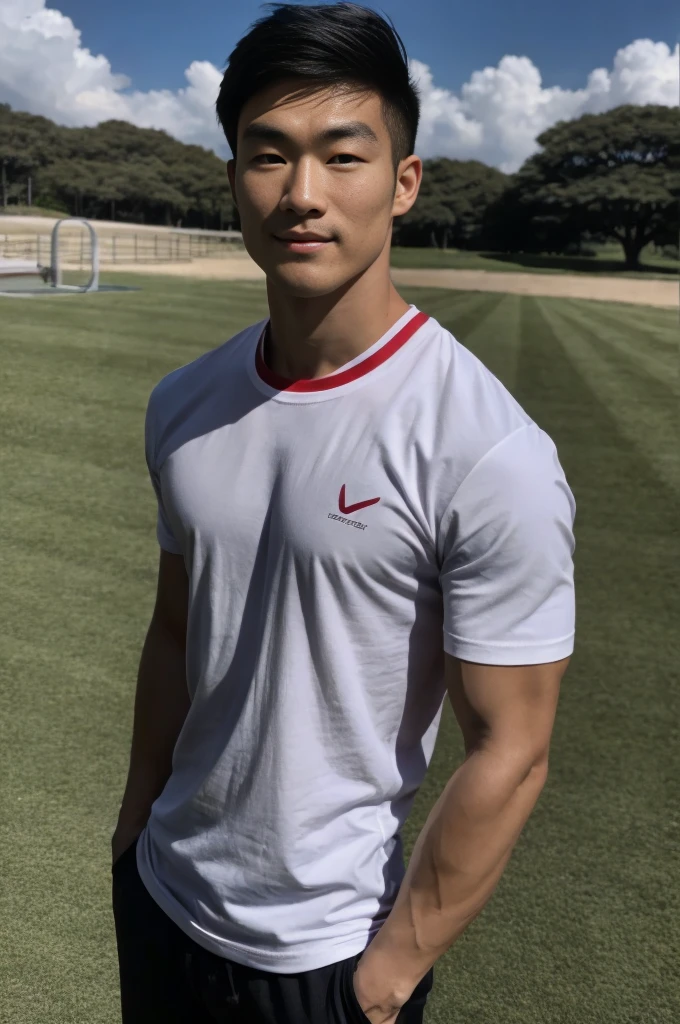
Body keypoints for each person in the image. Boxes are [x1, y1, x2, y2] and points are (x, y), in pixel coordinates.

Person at [110, 4, 576, 1023]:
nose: (302, 195)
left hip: (329, 958)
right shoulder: (183, 404)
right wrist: (133, 823)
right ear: (233, 174)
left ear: (403, 182)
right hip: (161, 898)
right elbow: (178, 628)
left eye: (342, 155)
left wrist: (385, 977)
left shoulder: (486, 450)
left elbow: (512, 745)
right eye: (267, 155)